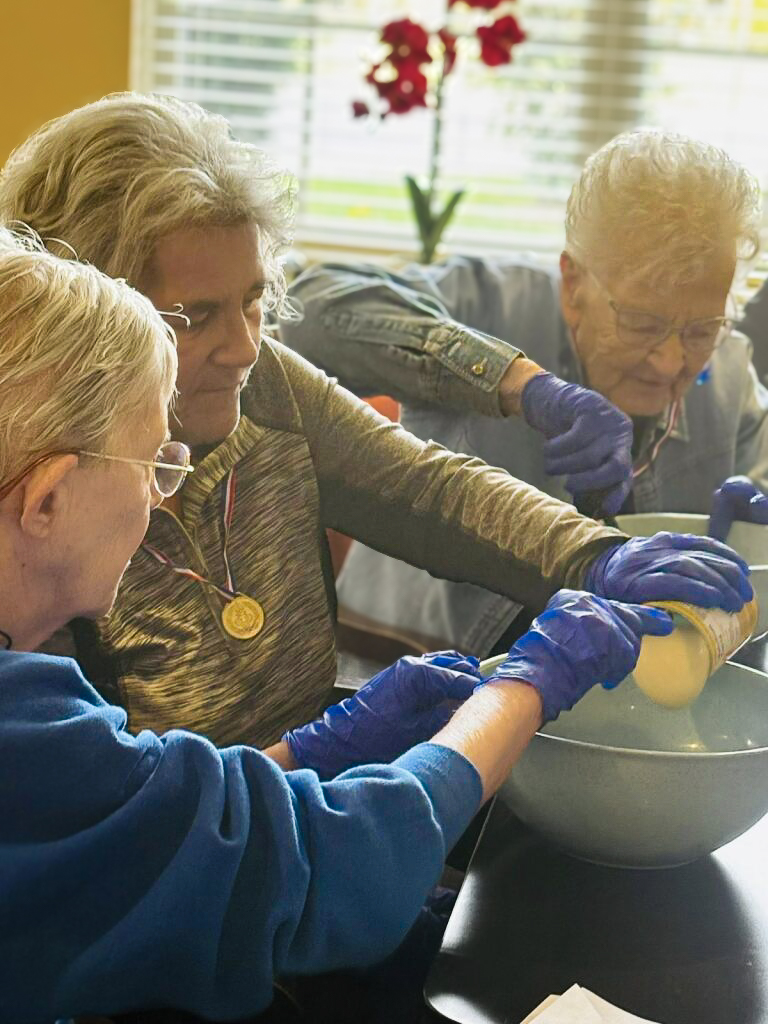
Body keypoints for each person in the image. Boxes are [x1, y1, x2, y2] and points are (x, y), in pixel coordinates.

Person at [0, 226, 680, 1022]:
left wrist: (316, 751)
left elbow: (154, 829)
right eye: (154, 464)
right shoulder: (33, 731)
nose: (160, 494)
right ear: (46, 500)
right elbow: (341, 875)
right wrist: (527, 685)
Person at [0, 96, 752, 746]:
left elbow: (428, 490)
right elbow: (135, 819)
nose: (245, 346)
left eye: (255, 301)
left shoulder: (266, 390)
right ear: (95, 313)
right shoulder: (46, 509)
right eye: (197, 316)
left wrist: (592, 555)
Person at [282, 128, 768, 654]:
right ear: (573, 283)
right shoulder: (489, 304)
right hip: (404, 661)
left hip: (624, 707)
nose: (672, 360)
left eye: (700, 330)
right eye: (641, 323)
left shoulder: (731, 380)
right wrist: (515, 383)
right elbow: (306, 311)